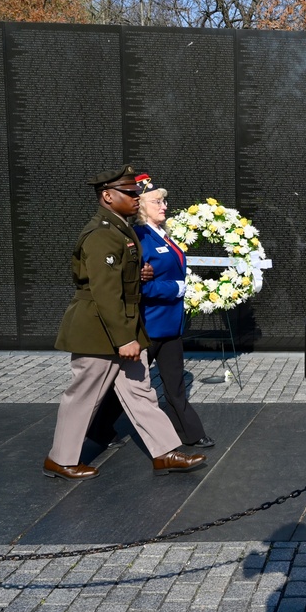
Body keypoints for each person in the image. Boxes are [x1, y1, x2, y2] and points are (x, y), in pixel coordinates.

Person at [44, 165, 207, 480]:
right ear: (108, 196)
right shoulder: (101, 234)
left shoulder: (120, 230)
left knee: (140, 391)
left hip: (124, 328)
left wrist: (139, 274)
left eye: (136, 193)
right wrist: (124, 339)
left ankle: (164, 452)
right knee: (84, 394)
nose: (136, 198)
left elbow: (120, 275)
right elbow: (105, 292)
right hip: (100, 331)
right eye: (130, 193)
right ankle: (60, 459)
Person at [89, 181, 215, 449]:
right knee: (130, 384)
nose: (164, 205)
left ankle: (191, 433)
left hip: (170, 325)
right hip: (148, 326)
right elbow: (138, 285)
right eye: (157, 201)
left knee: (174, 383)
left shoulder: (163, 234)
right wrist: (177, 288)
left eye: (164, 200)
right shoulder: (139, 237)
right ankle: (98, 429)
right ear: (142, 207)